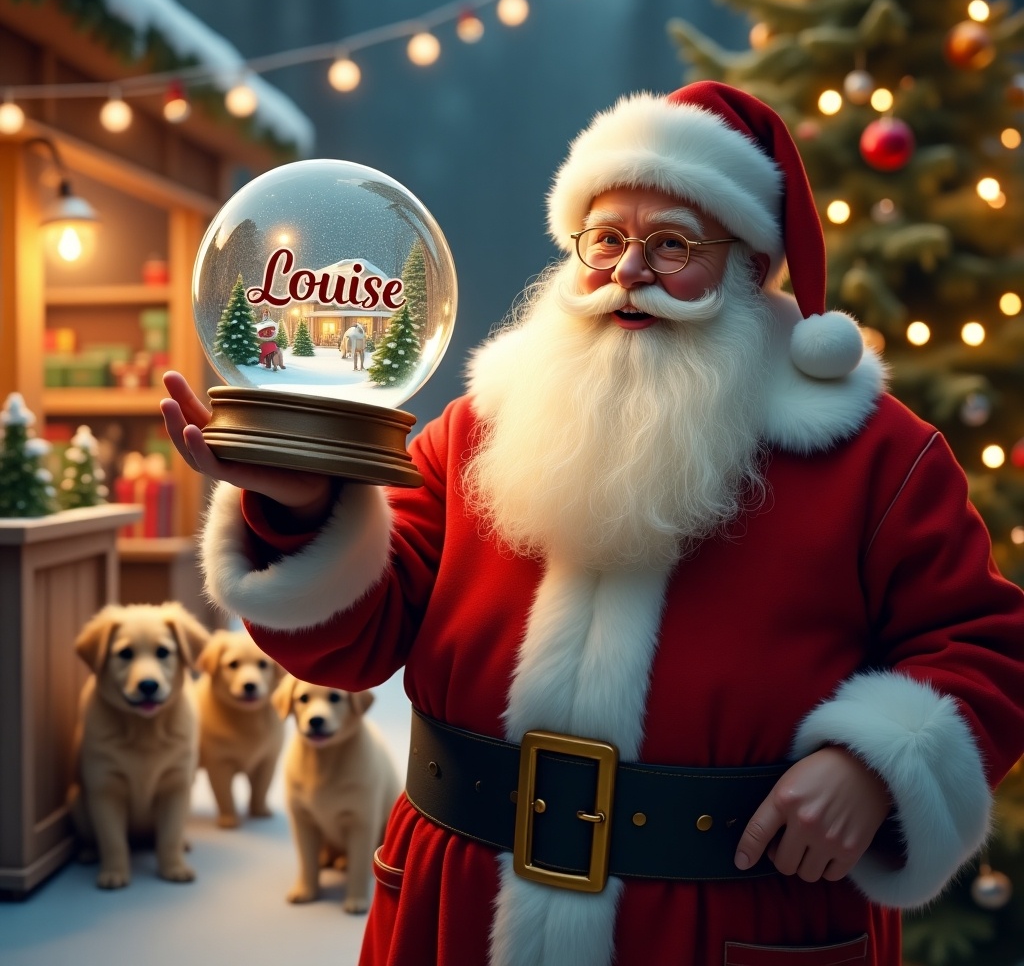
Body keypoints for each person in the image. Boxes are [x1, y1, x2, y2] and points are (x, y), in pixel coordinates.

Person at [161, 82, 1024, 966]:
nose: (628, 271)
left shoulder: (872, 452)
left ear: (748, 265)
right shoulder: (483, 428)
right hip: (462, 906)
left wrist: (876, 766)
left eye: (673, 244)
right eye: (605, 238)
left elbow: (988, 645)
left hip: (732, 920)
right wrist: (300, 505)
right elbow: (356, 638)